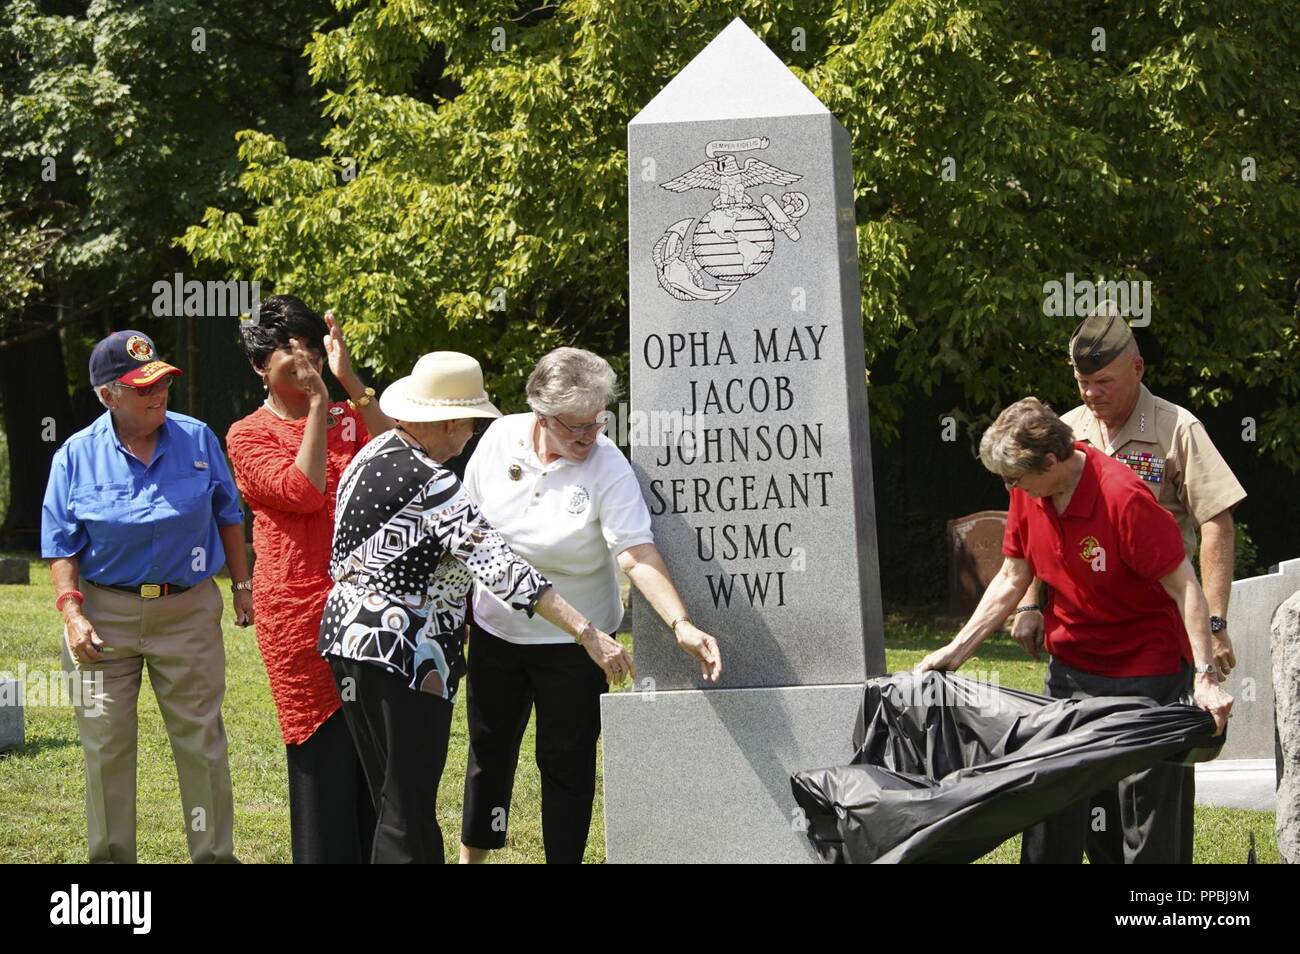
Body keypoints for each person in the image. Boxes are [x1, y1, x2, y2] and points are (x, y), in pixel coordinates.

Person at [317, 351, 632, 864]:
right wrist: (587, 632)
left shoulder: (368, 457)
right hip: (407, 655)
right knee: (408, 806)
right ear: (448, 422)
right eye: (470, 423)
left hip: (347, 642)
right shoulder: (437, 486)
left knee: (390, 797)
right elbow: (504, 571)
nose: (472, 437)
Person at [918, 397, 1232, 864]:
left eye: (1014, 477)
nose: (1010, 488)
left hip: (1147, 675)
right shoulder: (1030, 492)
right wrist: (956, 651)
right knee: (1052, 804)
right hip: (1071, 674)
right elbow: (1012, 575)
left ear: (1050, 461)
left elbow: (1185, 587)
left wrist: (1204, 679)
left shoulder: (1123, 498)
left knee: (1146, 824)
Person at [459, 347, 722, 865]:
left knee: (567, 764)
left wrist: (681, 623)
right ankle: (472, 860)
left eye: (597, 421)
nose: (590, 435)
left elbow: (636, 551)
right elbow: (468, 529)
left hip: (579, 644)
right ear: (540, 415)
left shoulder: (608, 464)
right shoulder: (497, 439)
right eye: (576, 426)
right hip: (497, 630)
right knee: (489, 755)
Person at [1011, 302, 1246, 862]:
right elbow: (1031, 524)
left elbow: (1215, 522)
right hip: (1081, 646)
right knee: (1076, 798)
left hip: (1154, 645)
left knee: (1150, 806)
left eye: (1104, 382)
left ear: (1137, 369)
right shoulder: (1064, 432)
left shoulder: (1177, 428)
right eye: (1083, 382)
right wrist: (1028, 602)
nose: (1092, 394)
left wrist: (1214, 625)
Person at [41, 330, 249, 863]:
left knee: (201, 744)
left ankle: (213, 857)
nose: (158, 395)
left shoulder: (199, 438)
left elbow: (229, 514)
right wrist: (71, 612)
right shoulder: (75, 456)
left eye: (162, 384)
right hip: (103, 616)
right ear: (108, 395)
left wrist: (244, 585)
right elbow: (61, 546)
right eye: (142, 389)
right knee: (106, 747)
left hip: (187, 611)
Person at [226, 295, 394, 863]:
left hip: (369, 604)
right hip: (298, 613)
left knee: (378, 754)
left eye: (309, 343)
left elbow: (407, 459)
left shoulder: (352, 413)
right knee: (320, 757)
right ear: (258, 367)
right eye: (286, 348)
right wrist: (321, 405)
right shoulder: (246, 434)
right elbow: (302, 491)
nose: (302, 357)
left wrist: (348, 381)